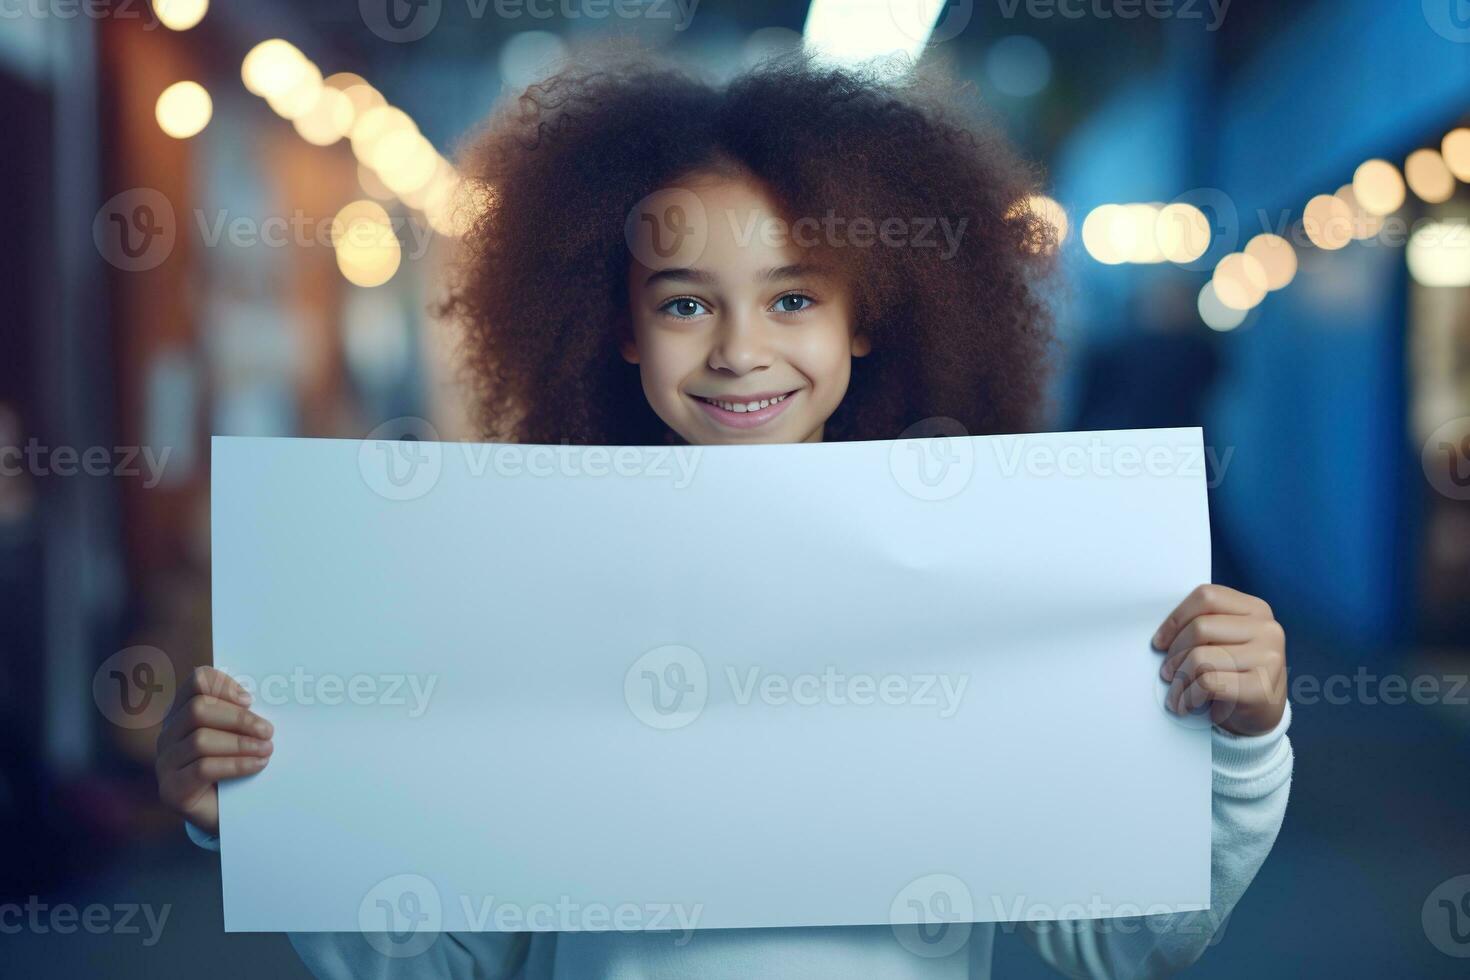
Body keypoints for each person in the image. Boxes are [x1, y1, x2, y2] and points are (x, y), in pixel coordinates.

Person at [155, 52, 1292, 979]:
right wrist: (264, 803)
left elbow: (1128, 939)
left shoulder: (989, 579)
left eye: (793, 296)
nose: (742, 348)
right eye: (687, 301)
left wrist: (1243, 746)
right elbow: (444, 961)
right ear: (618, 328)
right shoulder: (515, 584)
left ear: (866, 319)